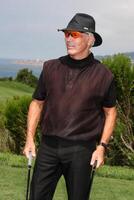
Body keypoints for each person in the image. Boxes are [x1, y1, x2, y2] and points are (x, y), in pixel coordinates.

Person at [23, 13, 117, 200]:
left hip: (82, 152)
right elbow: (37, 103)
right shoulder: (50, 68)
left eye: (74, 35)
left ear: (89, 40)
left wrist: (102, 147)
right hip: (48, 147)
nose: (68, 39)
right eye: (66, 34)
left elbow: (110, 112)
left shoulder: (104, 75)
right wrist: (30, 138)